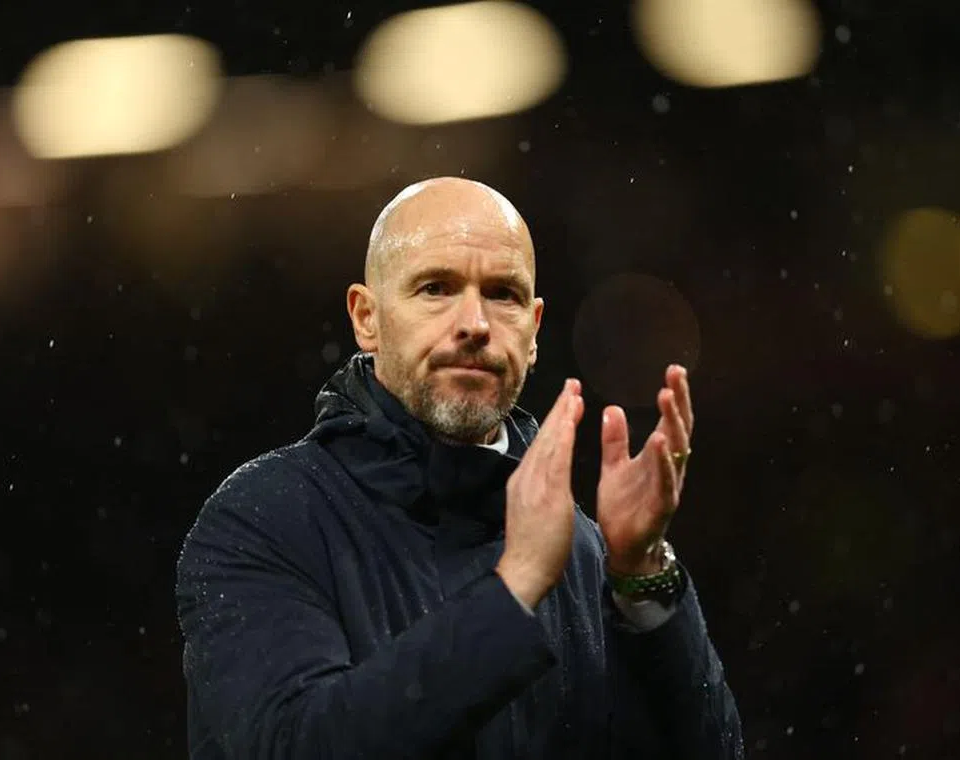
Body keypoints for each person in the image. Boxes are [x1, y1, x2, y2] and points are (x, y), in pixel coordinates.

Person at [175, 177, 743, 759]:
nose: (475, 323)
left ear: (534, 331)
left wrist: (640, 572)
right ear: (366, 318)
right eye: (436, 288)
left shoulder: (584, 551)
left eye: (502, 294)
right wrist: (513, 589)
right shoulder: (263, 519)